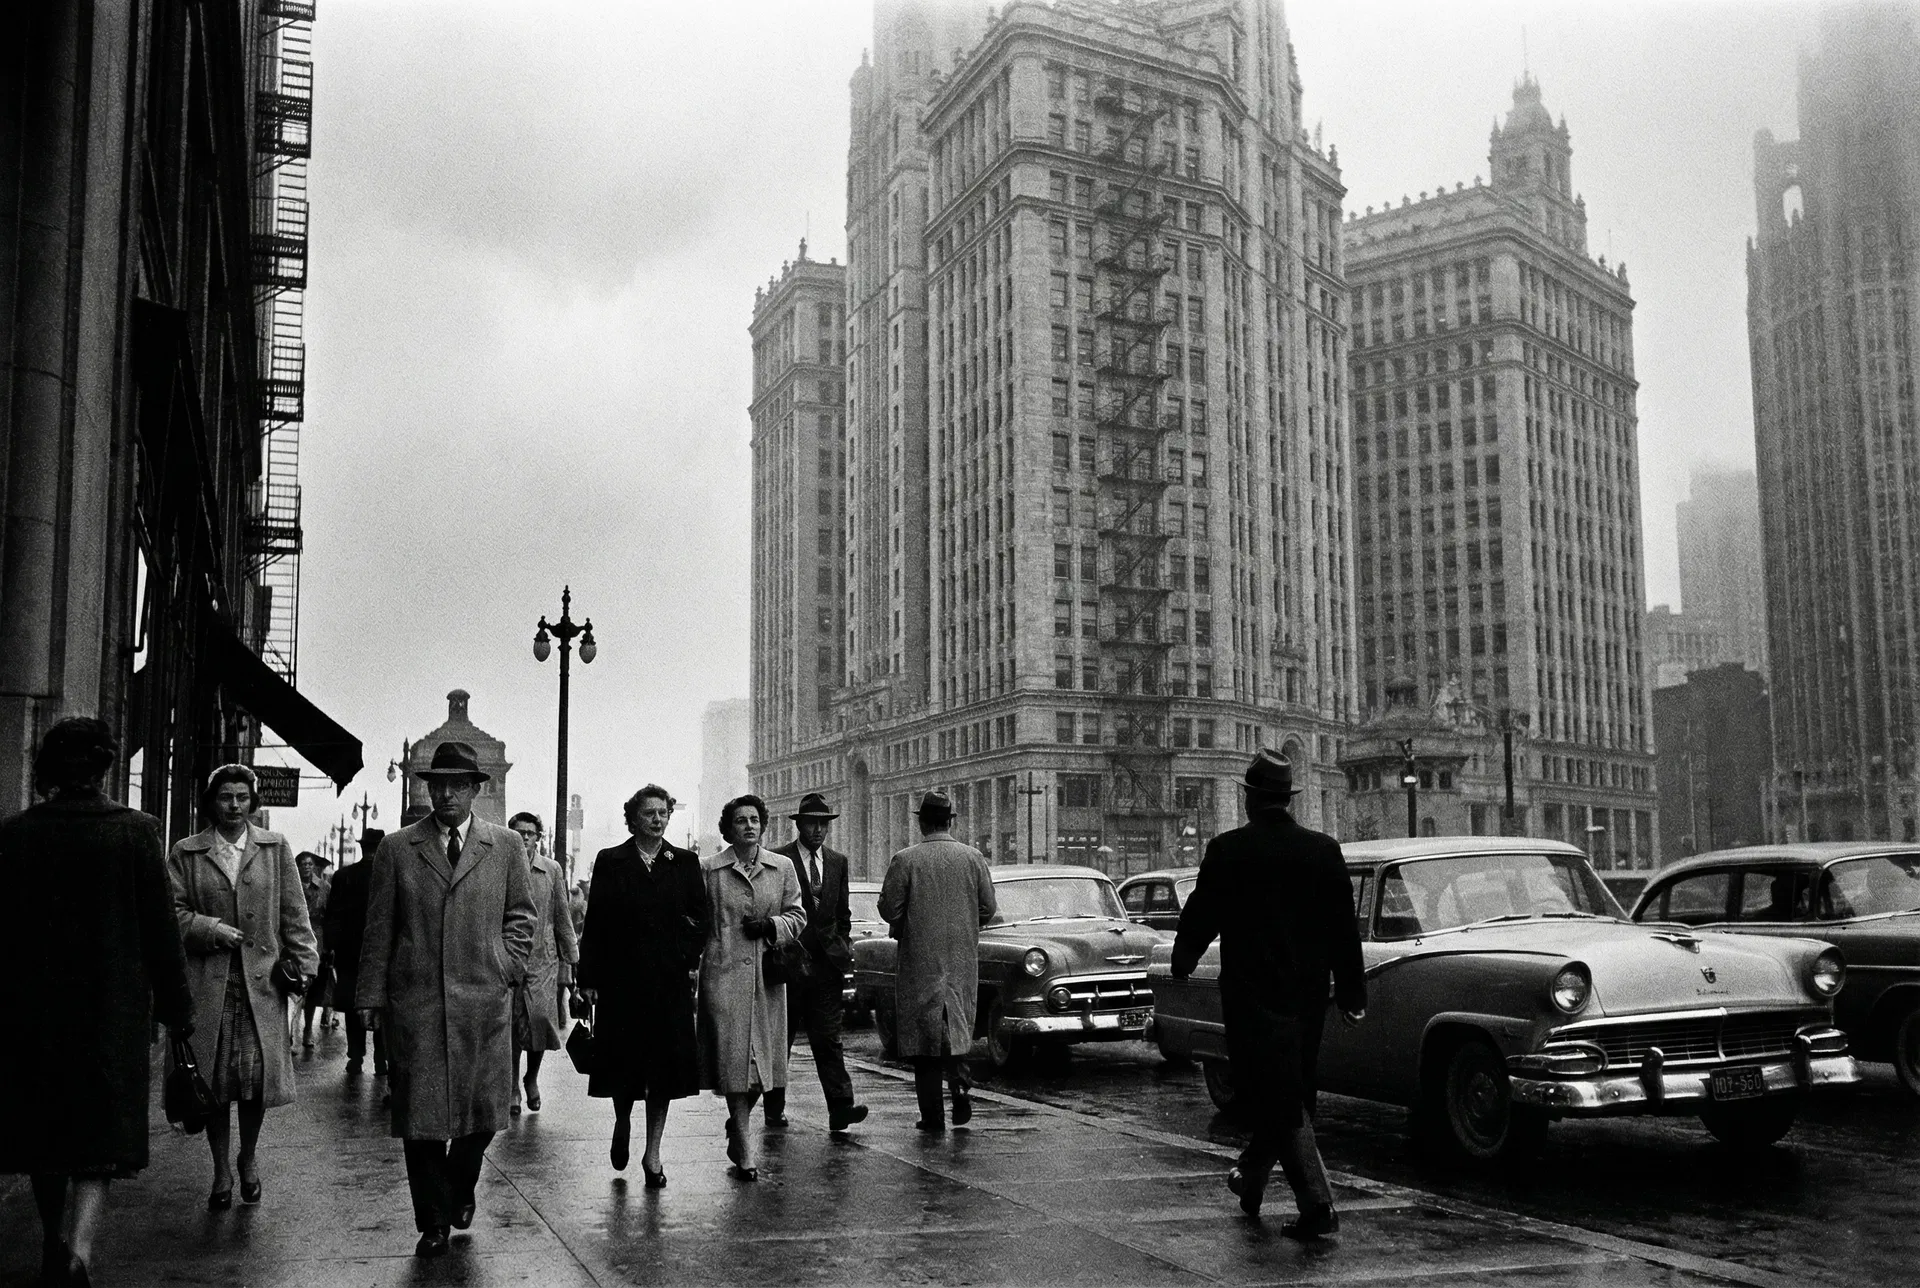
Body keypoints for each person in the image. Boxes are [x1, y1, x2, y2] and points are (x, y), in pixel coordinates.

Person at [0, 718, 193, 1287]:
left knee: (45, 1133)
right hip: (110, 1013)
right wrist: (177, 1006)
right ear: (107, 765)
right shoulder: (135, 832)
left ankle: (52, 1239)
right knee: (99, 1138)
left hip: (32, 1012)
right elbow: (161, 931)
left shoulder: (14, 834)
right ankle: (80, 1252)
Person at [1170, 749, 1366, 1239]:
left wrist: (1183, 959)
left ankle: (1318, 1208)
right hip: (1307, 995)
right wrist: (1351, 992)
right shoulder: (1323, 851)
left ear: (1251, 799)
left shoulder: (1229, 850)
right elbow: (1344, 928)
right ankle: (1251, 1178)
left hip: (1251, 993)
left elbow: (1201, 913)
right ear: (1288, 798)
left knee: (1275, 1095)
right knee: (1291, 1089)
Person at [357, 741, 537, 1258]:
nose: (447, 794)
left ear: (476, 790)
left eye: (458, 785)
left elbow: (522, 916)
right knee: (422, 1119)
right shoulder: (398, 848)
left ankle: (461, 1184)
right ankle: (432, 1219)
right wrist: (371, 994)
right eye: (438, 785)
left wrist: (507, 965)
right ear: (426, 788)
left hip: (483, 1001)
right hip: (418, 1003)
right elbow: (380, 928)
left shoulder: (504, 846)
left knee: (481, 1116)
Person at [167, 764, 320, 1211]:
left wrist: (304, 967)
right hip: (209, 985)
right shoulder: (187, 853)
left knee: (254, 1082)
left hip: (262, 988)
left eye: (241, 797)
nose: (233, 805)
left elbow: (295, 913)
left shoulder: (274, 849)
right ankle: (220, 1170)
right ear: (211, 803)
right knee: (213, 1081)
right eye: (224, 797)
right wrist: (208, 928)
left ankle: (248, 1159)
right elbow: (169, 914)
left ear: (253, 802)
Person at [577, 786, 709, 1185]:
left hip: (667, 984)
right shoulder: (611, 861)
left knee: (663, 1072)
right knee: (623, 1064)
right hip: (621, 983)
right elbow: (595, 924)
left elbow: (700, 920)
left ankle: (653, 1154)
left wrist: (685, 960)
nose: (657, 818)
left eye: (663, 812)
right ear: (632, 819)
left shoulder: (683, 862)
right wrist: (589, 980)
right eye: (648, 813)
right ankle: (622, 1120)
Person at [696, 794, 805, 1181]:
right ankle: (743, 1144)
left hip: (767, 978)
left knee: (763, 1065)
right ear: (728, 828)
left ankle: (736, 1128)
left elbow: (798, 914)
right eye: (740, 820)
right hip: (723, 975)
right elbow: (694, 921)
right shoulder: (709, 870)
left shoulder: (783, 867)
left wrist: (772, 927)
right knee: (733, 1062)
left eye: (755, 819)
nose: (749, 826)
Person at [877, 790, 996, 1133]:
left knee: (924, 1041)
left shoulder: (905, 859)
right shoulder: (973, 858)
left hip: (919, 961)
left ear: (922, 822)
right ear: (948, 821)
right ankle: (960, 1085)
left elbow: (888, 908)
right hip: (960, 961)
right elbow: (988, 908)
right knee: (956, 1030)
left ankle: (932, 1118)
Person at [766, 793, 867, 1133]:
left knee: (828, 1039)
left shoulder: (838, 861)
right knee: (782, 1040)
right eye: (812, 823)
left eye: (823, 824)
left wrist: (841, 945)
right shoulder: (780, 859)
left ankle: (841, 1108)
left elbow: (842, 913)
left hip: (827, 968)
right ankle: (773, 1108)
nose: (818, 830)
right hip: (791, 967)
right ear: (799, 825)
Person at [505, 812, 578, 1115]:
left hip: (543, 959)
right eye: (519, 832)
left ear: (538, 837)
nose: (524, 837)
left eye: (530, 833)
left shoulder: (551, 869)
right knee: (509, 1026)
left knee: (538, 1022)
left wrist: (572, 958)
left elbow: (562, 914)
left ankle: (531, 1078)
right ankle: (511, 1088)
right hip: (507, 957)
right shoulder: (500, 866)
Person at [326, 830, 386, 1076]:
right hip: (381, 953)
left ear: (362, 848)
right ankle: (381, 1061)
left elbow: (333, 915)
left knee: (353, 1007)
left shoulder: (344, 876)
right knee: (382, 1006)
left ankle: (356, 1057)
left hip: (349, 952)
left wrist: (330, 947)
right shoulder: (388, 876)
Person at [299, 852, 334, 1049]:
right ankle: (290, 1028)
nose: (306, 867)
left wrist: (329, 945)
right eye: (302, 864)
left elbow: (330, 917)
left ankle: (307, 1029)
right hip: (296, 938)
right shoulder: (291, 885)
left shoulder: (324, 888)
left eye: (309, 864)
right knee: (293, 984)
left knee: (312, 986)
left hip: (317, 940)